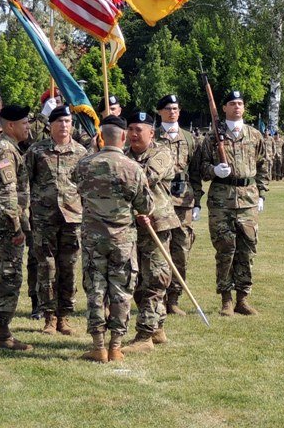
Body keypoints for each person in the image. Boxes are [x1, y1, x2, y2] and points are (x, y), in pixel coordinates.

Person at [74, 115, 154, 363]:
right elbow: (146, 205)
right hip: (122, 239)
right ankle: (116, 346)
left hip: (93, 238)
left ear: (101, 136)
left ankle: (98, 346)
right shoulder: (132, 168)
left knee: (96, 291)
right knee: (121, 291)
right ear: (122, 137)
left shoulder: (84, 165)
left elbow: (78, 191)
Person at [191, 89, 268, 317]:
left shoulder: (254, 135)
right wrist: (214, 170)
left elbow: (263, 166)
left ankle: (243, 298)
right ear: (223, 108)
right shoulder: (212, 137)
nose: (237, 107)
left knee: (247, 249)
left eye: (240, 103)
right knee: (225, 249)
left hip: (248, 199)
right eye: (232, 103)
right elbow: (199, 169)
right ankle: (226, 299)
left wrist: (262, 193)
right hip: (221, 200)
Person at [24, 104, 87, 335]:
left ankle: (65, 316)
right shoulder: (37, 151)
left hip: (72, 218)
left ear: (72, 125)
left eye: (68, 122)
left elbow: (85, 185)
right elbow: (24, 182)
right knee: (46, 267)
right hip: (44, 219)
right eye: (59, 121)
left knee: (68, 267)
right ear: (50, 125)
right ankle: (49, 317)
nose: (63, 125)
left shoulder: (81, 153)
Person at [0, 104, 33, 351]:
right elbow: (7, 195)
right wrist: (16, 229)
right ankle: (2, 335)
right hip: (3, 228)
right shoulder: (5, 152)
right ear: (10, 125)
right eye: (24, 123)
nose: (28, 127)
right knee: (7, 279)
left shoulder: (9, 149)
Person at [124, 109, 176, 352]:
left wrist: (115, 169)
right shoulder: (122, 155)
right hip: (129, 226)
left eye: (139, 130)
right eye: (130, 129)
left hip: (155, 223)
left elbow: (145, 179)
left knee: (155, 278)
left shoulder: (162, 153)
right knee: (135, 279)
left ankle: (144, 336)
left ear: (151, 133)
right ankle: (156, 327)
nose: (133, 134)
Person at [155, 94, 198, 317]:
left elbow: (196, 172)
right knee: (159, 250)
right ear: (160, 112)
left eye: (176, 108)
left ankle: (174, 299)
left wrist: (197, 201)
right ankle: (157, 298)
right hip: (159, 200)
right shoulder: (152, 137)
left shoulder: (189, 138)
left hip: (183, 202)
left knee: (181, 250)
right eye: (169, 109)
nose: (173, 112)